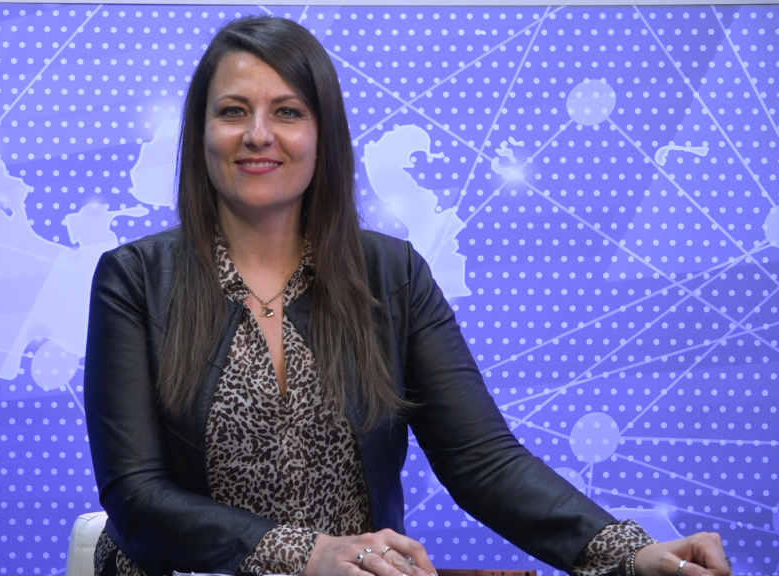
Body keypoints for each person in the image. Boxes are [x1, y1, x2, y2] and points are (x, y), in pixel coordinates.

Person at [84, 16, 732, 576]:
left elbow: (483, 461)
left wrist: (628, 553)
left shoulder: (392, 275)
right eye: (232, 111)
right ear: (201, 132)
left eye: (288, 111)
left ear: (323, 134)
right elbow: (136, 496)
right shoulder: (135, 278)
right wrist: (306, 554)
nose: (258, 134)